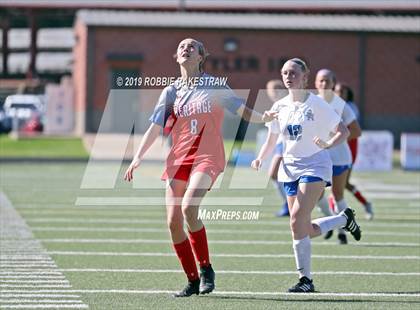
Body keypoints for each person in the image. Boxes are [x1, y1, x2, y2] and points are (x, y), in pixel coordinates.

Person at [124, 38, 275, 297]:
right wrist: (137, 156)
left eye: (192, 46)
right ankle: (192, 280)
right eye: (182, 46)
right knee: (173, 222)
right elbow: (156, 126)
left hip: (207, 156)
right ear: (177, 56)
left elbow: (242, 110)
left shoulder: (215, 86)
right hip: (179, 158)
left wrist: (264, 117)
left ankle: (206, 269)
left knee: (189, 207)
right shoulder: (171, 91)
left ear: (201, 56)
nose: (186, 49)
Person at [252, 58, 361, 293]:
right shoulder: (279, 107)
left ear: (305, 77)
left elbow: (343, 130)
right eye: (284, 73)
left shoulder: (318, 104)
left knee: (296, 219)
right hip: (289, 168)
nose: (288, 76)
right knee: (302, 227)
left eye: (293, 72)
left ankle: (306, 280)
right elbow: (273, 138)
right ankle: (343, 219)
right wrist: (261, 157)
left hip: (315, 165)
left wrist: (328, 143)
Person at [315, 70, 362, 244]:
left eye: (327, 81)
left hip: (340, 157)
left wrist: (334, 140)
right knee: (316, 195)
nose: (323, 84)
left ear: (333, 83)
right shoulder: (312, 103)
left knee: (337, 195)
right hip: (319, 157)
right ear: (315, 82)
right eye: (320, 80)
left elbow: (356, 131)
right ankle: (329, 221)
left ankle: (343, 232)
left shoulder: (341, 105)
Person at [335, 83, 374, 220]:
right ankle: (335, 214)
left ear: (347, 94)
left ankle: (365, 204)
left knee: (342, 183)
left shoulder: (349, 107)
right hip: (336, 146)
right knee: (333, 184)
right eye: (337, 91)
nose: (339, 94)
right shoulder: (329, 104)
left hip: (348, 146)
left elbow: (353, 130)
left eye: (342, 91)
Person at [265, 79, 289, 217]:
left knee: (274, 173)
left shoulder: (288, 102)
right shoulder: (276, 105)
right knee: (277, 175)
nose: (274, 92)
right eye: (271, 90)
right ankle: (289, 204)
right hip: (280, 143)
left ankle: (290, 204)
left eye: (277, 88)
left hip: (289, 143)